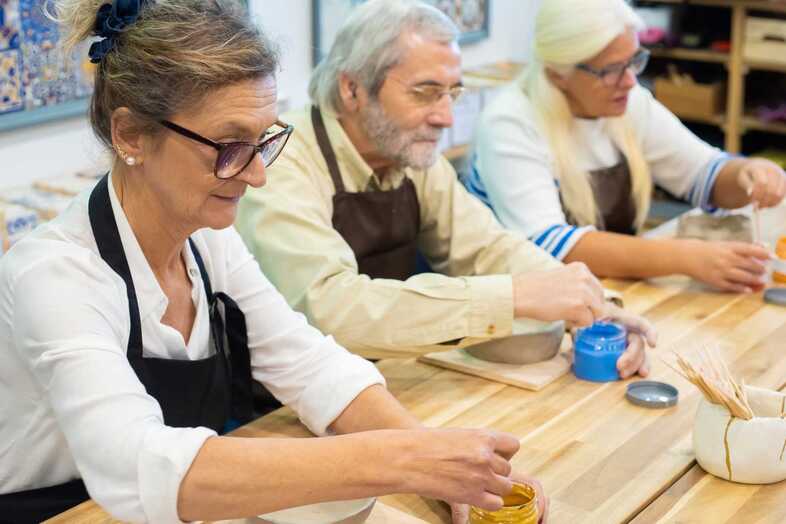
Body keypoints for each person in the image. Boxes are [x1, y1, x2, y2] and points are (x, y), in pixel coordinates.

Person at [0, 1, 549, 523]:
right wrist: (401, 461)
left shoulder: (207, 241)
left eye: (263, 142)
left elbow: (311, 366)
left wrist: (441, 462)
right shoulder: (54, 274)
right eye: (228, 146)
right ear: (130, 135)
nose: (257, 174)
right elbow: (134, 464)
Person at [236, 0, 656, 372]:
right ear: (352, 89)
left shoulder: (408, 153)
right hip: (279, 407)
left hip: (381, 377)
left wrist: (593, 306)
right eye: (425, 93)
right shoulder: (282, 162)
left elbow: (486, 248)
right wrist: (511, 297)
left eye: (451, 94)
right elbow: (332, 309)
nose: (446, 118)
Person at [467, 0, 786, 294]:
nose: (631, 81)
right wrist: (686, 256)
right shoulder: (510, 123)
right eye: (610, 70)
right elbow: (552, 247)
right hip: (516, 309)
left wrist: (749, 172)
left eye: (634, 61)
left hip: (600, 292)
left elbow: (705, 175)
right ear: (558, 73)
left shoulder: (629, 104)